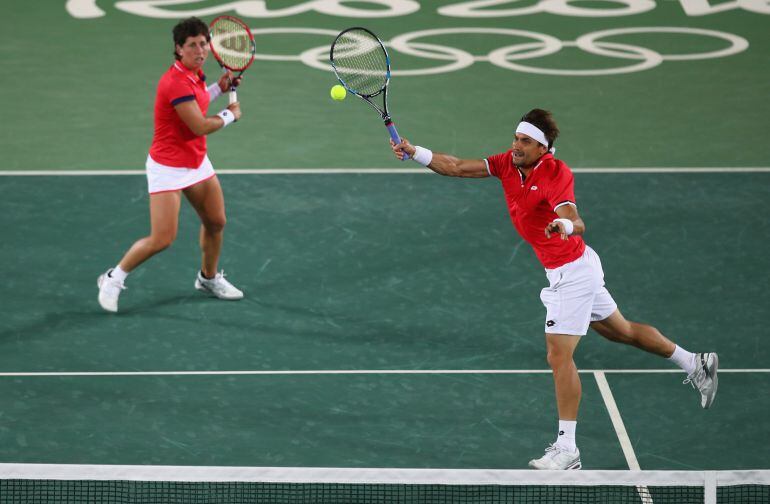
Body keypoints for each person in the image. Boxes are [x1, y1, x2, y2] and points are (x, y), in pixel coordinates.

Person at [390, 109, 718, 470]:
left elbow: (575, 217)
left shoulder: (554, 172)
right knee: (620, 331)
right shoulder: (507, 164)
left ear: (543, 148)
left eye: (525, 141)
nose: (516, 145)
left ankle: (568, 450)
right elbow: (457, 166)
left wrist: (563, 223)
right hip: (575, 267)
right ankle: (695, 362)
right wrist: (416, 152)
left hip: (572, 273)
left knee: (558, 356)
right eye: (516, 137)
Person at [97, 17, 244, 313]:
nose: (200, 51)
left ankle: (208, 278)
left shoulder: (194, 75)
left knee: (216, 222)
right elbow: (199, 125)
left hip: (196, 161)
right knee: (162, 238)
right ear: (178, 49)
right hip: (168, 167)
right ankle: (114, 277)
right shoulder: (174, 82)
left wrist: (219, 87)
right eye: (192, 46)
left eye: (204, 44)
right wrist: (230, 115)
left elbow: (198, 99)